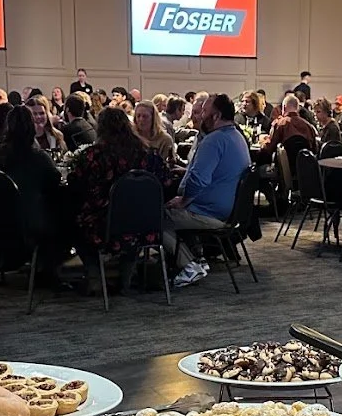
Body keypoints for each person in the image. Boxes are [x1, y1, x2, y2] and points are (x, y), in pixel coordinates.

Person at [68, 107, 176, 295]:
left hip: (106, 225)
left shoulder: (93, 156)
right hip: (146, 225)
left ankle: (95, 277)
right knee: (131, 219)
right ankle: (126, 277)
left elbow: (76, 185)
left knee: (74, 222)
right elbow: (166, 182)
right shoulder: (148, 154)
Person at [166, 94, 250, 288]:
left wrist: (184, 200)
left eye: (204, 111)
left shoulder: (214, 141)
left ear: (216, 116)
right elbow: (218, 172)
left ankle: (189, 265)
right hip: (229, 209)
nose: (200, 116)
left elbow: (197, 180)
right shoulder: (236, 136)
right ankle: (195, 258)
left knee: (155, 217)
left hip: (211, 211)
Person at [0, 104, 66, 270]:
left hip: (2, 219)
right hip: (33, 221)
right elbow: (55, 182)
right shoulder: (38, 157)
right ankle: (48, 268)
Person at [256, 94, 316, 164]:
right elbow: (314, 149)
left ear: (283, 108)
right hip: (304, 166)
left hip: (284, 168)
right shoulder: (309, 126)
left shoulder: (279, 124)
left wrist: (263, 143)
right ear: (297, 108)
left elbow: (269, 148)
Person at [134, 99, 176, 164]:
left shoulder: (165, 140)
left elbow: (169, 164)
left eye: (145, 116)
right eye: (138, 116)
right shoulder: (132, 137)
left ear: (153, 118)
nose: (141, 119)